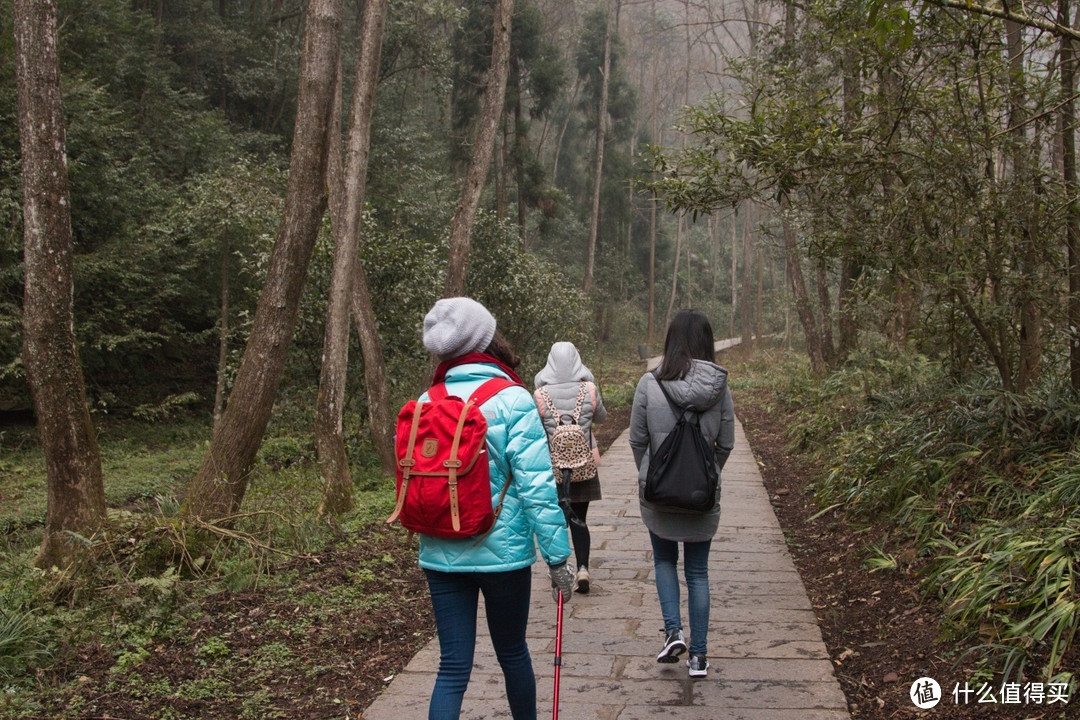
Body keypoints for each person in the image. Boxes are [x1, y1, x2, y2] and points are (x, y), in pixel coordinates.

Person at [416, 297, 575, 720]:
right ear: (486, 340)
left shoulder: (428, 399)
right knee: (512, 652)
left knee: (451, 668)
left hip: (440, 550)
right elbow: (537, 487)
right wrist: (558, 558)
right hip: (502, 556)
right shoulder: (512, 399)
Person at [628, 310, 734, 679]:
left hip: (658, 495)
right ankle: (700, 657)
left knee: (663, 561)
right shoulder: (720, 387)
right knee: (699, 572)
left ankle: (673, 631)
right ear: (707, 341)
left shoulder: (649, 384)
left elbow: (637, 439)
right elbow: (727, 444)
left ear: (670, 341)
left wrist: (654, 474)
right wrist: (705, 474)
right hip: (701, 496)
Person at [533, 341, 608, 593]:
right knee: (580, 519)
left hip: (552, 468)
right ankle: (583, 568)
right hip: (582, 465)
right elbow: (601, 417)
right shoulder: (589, 389)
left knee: (557, 521)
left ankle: (560, 570)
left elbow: (535, 429)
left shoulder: (540, 395)